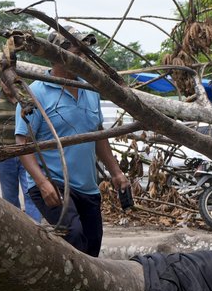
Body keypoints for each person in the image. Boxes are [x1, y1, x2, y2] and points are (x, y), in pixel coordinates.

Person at [14, 31, 128, 256]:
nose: (83, 59)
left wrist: (116, 172)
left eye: (85, 54)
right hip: (54, 183)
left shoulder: (90, 90)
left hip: (87, 186)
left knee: (93, 243)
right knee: (74, 236)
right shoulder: (36, 93)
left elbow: (98, 135)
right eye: (77, 53)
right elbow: (22, 144)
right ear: (57, 56)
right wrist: (42, 182)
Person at [0, 88, 43, 221]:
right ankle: (17, 228)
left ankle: (35, 229)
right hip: (4, 157)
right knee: (9, 197)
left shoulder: (26, 98)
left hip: (27, 154)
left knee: (31, 193)